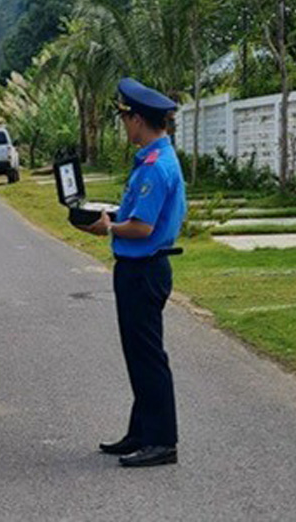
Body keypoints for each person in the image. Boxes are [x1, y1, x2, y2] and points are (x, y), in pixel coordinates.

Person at [79, 77, 187, 468]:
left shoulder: (157, 168)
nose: (124, 126)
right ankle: (141, 432)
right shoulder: (151, 160)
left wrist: (106, 226)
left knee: (148, 357)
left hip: (144, 270)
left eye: (125, 118)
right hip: (138, 269)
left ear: (138, 120)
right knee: (138, 354)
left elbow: (141, 227)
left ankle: (162, 441)